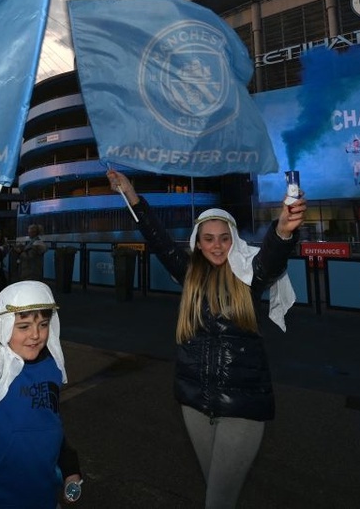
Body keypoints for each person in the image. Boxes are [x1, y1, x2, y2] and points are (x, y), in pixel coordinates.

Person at [106, 169, 306, 508]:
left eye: (224, 238)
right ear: (198, 242)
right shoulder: (190, 274)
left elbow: (272, 257)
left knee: (217, 500)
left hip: (242, 407)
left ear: (234, 241)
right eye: (209, 238)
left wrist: (283, 231)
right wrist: (132, 196)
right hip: (194, 404)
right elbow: (157, 238)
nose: (217, 245)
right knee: (216, 490)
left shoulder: (249, 277)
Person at [0, 218, 83, 507]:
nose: (36, 335)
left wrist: (71, 470)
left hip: (43, 496)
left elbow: (52, 423)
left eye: (43, 324)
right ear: (4, 327)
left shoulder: (51, 366)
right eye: (23, 326)